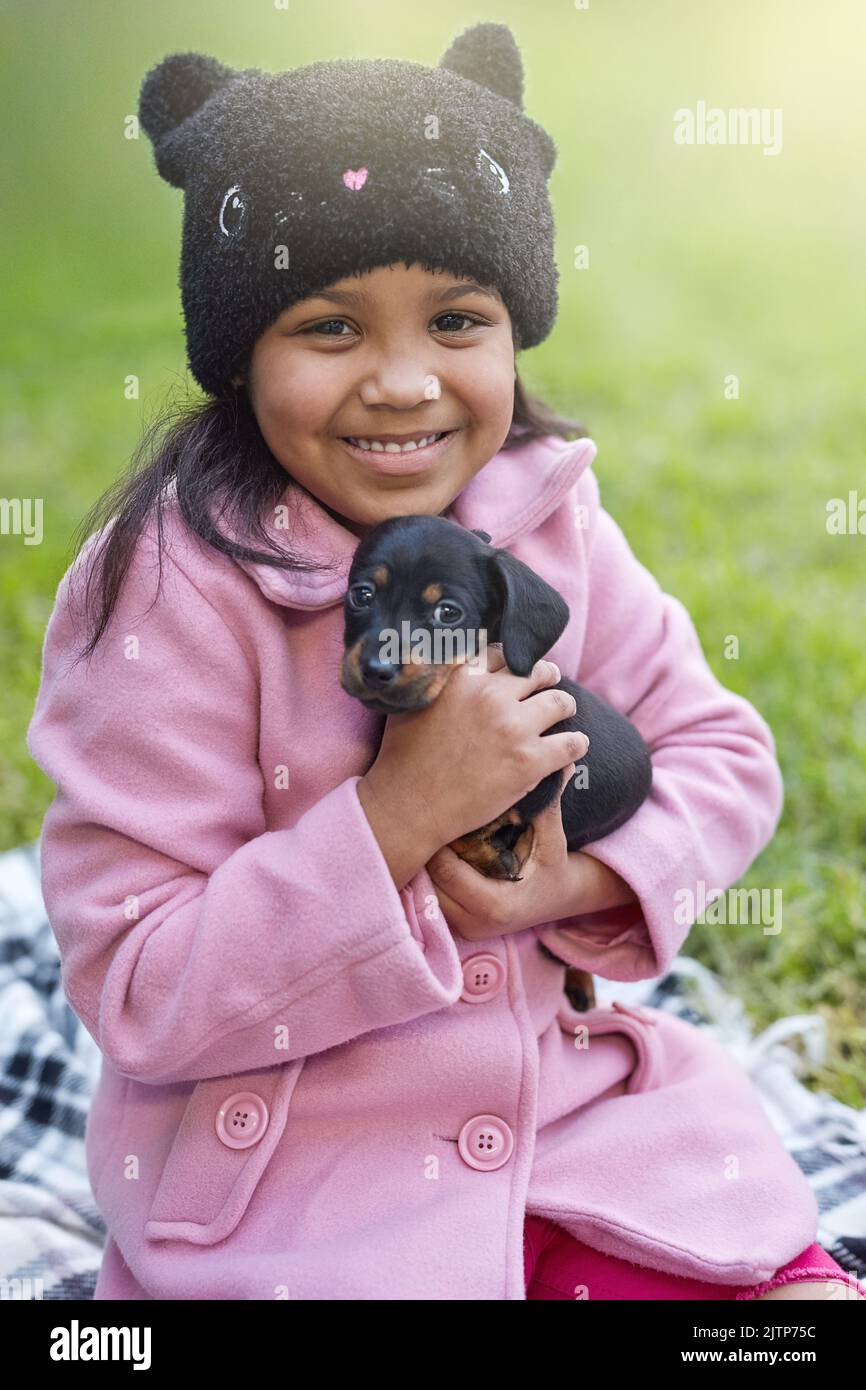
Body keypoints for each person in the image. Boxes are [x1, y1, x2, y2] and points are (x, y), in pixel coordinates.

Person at [26, 23, 863, 1301]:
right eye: (328, 326)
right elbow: (137, 982)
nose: (405, 381)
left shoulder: (549, 520)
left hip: (572, 1137)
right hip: (297, 1198)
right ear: (239, 347)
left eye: (457, 318)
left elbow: (721, 753)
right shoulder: (169, 588)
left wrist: (560, 885)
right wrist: (395, 818)